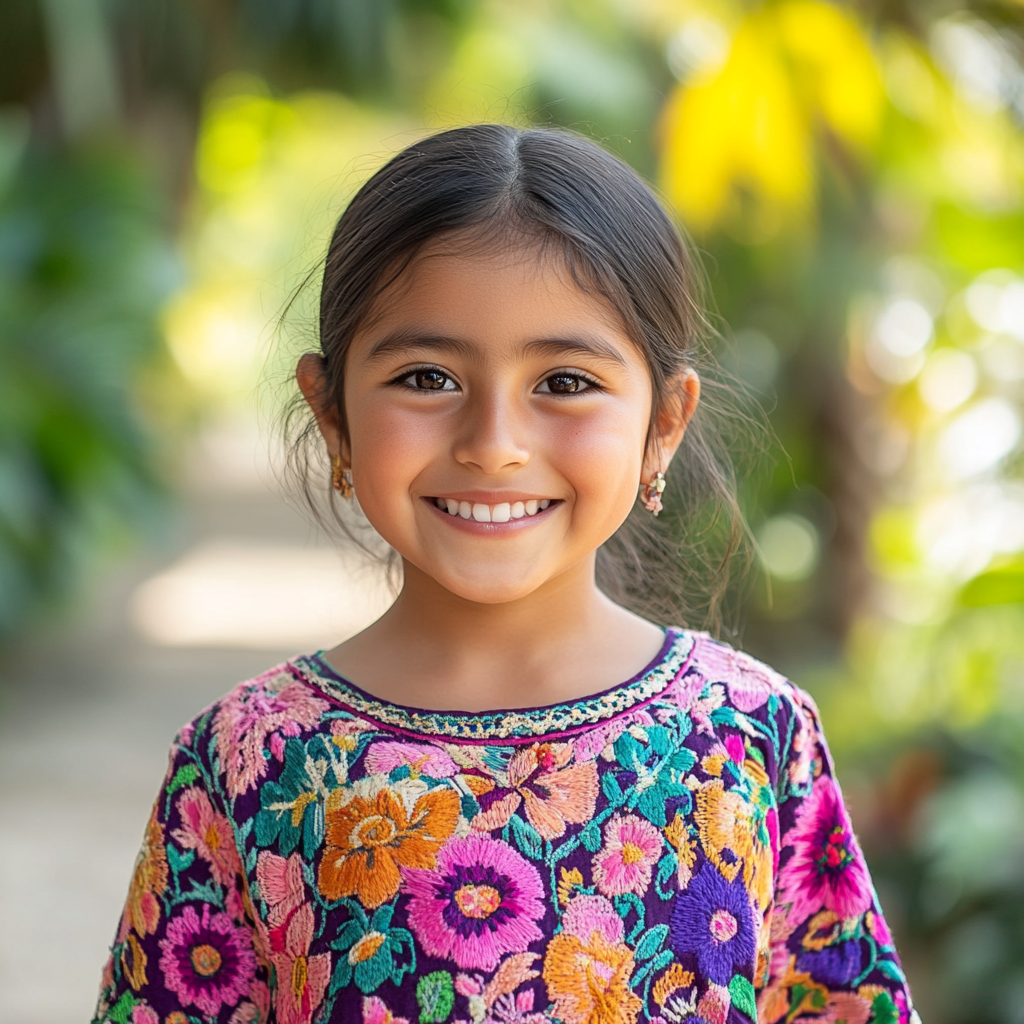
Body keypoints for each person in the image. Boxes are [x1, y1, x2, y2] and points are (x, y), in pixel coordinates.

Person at [93, 124, 917, 1024]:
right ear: (332, 416)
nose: (493, 445)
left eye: (564, 382)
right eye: (426, 377)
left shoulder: (751, 737)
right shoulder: (244, 763)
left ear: (664, 425)